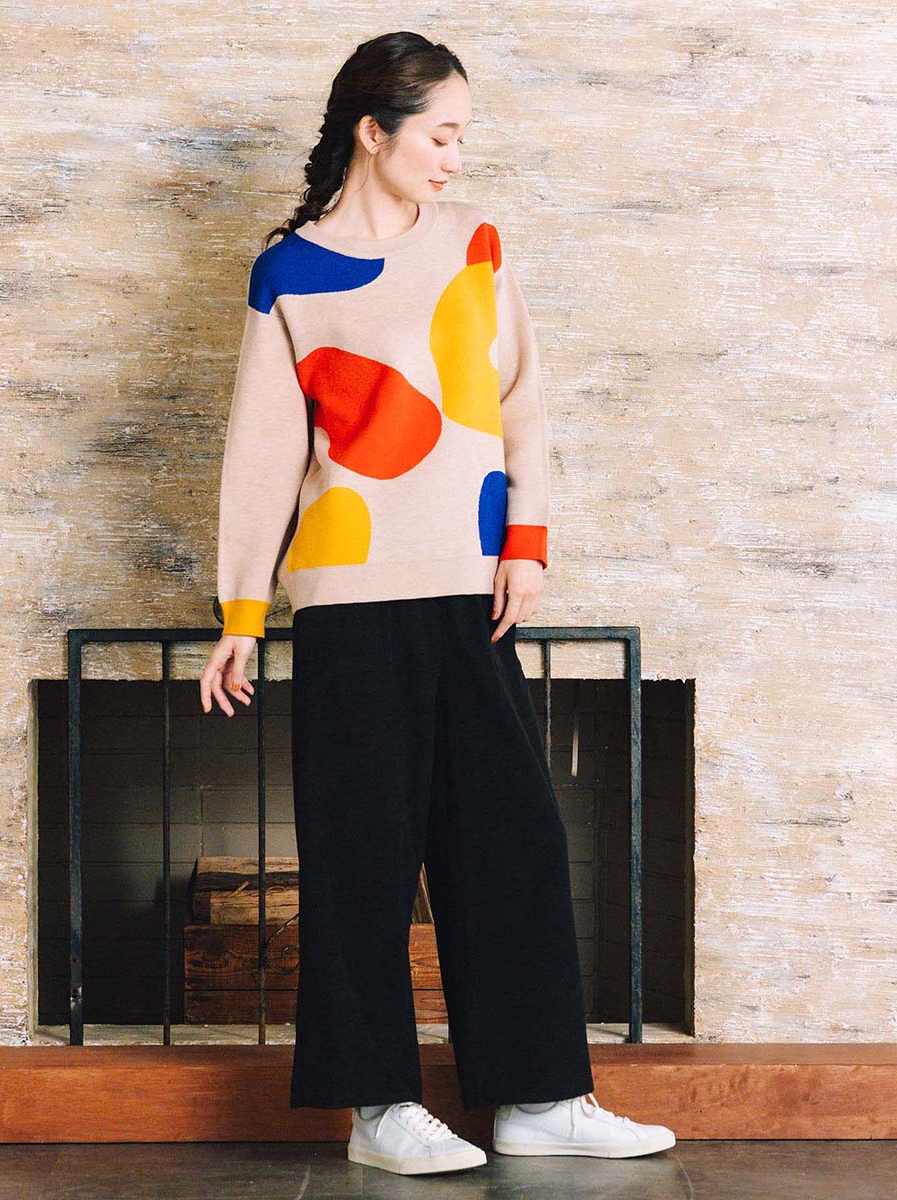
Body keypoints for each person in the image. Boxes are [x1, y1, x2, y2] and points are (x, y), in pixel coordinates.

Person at [200, 30, 675, 1178]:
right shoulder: (289, 274)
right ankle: (378, 1111)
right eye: (442, 134)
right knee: (361, 854)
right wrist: (240, 615)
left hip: (471, 585)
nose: (457, 157)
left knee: (511, 839)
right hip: (350, 599)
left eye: (463, 137)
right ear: (375, 131)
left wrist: (527, 542)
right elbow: (262, 456)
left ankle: (538, 1096)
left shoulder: (474, 242)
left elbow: (521, 403)